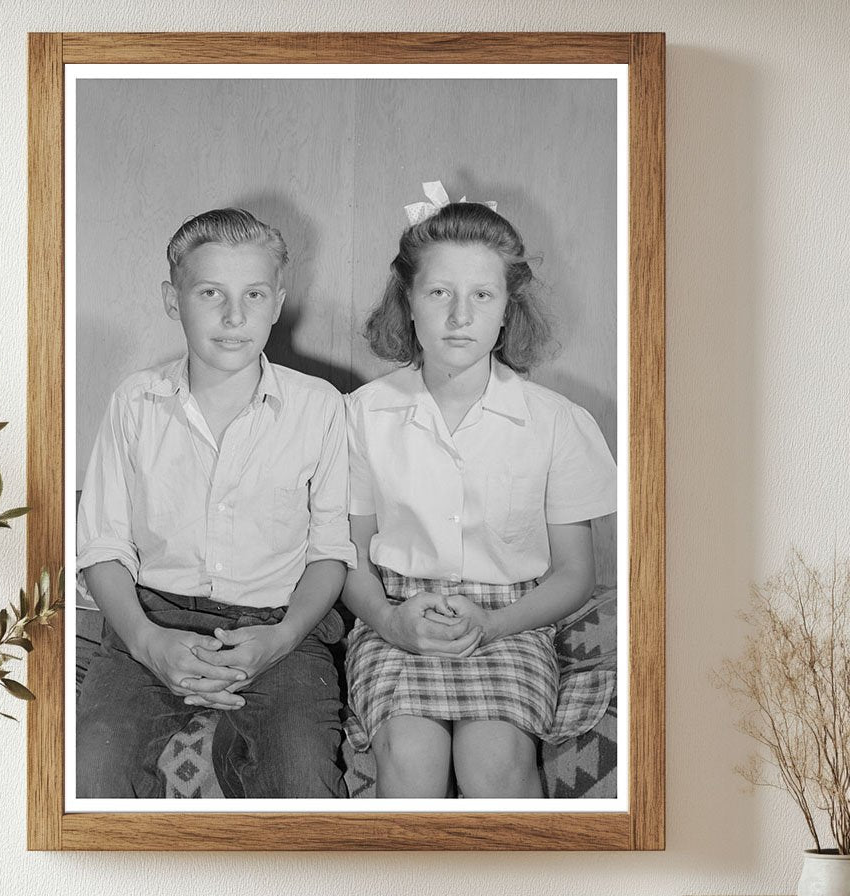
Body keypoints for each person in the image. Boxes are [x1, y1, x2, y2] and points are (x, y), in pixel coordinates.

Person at [342, 192, 617, 799]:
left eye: (482, 295)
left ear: (507, 311)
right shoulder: (361, 417)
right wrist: (390, 620)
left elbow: (575, 573)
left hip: (512, 623)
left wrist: (493, 625)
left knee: (494, 757)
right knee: (409, 753)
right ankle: (398, 894)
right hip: (397, 616)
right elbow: (350, 560)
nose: (459, 315)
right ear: (408, 302)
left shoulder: (556, 422)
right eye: (439, 292)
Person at [76, 208, 355, 799]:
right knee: (94, 769)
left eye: (254, 293)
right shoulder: (136, 402)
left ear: (278, 301)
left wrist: (278, 640)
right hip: (152, 617)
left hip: (279, 626)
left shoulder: (321, 407)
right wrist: (148, 643)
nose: (234, 316)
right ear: (173, 300)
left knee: (304, 780)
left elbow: (330, 551)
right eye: (210, 293)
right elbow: (102, 547)